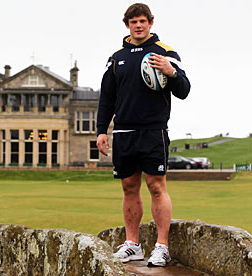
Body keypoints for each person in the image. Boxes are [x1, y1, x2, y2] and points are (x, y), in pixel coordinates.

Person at [96, 3, 190, 267]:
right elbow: (107, 98)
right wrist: (102, 130)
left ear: (151, 22)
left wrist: (170, 72)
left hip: (153, 130)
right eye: (133, 21)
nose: (138, 25)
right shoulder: (116, 58)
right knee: (128, 188)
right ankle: (132, 245)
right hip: (124, 131)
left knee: (156, 187)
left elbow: (184, 90)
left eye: (143, 21)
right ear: (127, 25)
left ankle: (161, 247)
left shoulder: (165, 53)